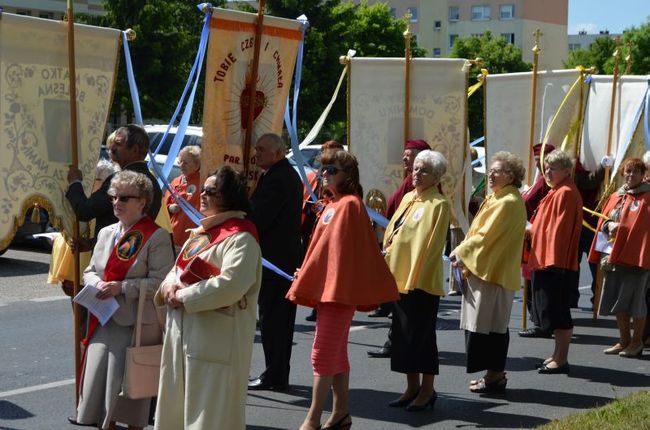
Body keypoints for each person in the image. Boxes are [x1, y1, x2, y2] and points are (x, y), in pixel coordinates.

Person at [287, 149, 399, 430]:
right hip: (330, 290)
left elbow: (340, 254)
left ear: (348, 176)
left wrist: (312, 274)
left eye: (332, 170)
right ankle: (341, 413)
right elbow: (322, 250)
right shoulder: (334, 205)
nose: (325, 175)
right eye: (324, 169)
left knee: (322, 354)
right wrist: (308, 272)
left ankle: (311, 421)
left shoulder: (349, 204)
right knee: (335, 354)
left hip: (338, 291)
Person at [154, 166, 262, 429]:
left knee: (210, 415)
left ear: (229, 196)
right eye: (203, 189)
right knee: (176, 410)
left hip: (216, 338)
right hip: (184, 333)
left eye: (211, 191)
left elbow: (231, 284)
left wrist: (184, 297)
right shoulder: (203, 232)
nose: (202, 194)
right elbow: (176, 269)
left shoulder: (241, 238)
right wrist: (169, 287)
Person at [72, 170, 174, 429]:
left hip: (134, 324)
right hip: (103, 319)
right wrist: (97, 284)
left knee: (129, 393)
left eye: (125, 198)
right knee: (98, 391)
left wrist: (122, 287)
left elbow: (161, 282)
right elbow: (90, 271)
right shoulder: (106, 232)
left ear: (143, 202)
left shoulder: (157, 236)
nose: (117, 203)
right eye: (114, 197)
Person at [451, 151, 527, 392]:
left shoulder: (508, 202)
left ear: (511, 176)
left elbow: (486, 237)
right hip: (488, 269)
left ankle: (495, 377)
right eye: (490, 170)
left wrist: (461, 251)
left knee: (493, 328)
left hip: (493, 272)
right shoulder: (498, 197)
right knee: (490, 326)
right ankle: (493, 375)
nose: (491, 175)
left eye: (497, 171)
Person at [384, 150, 449, 411]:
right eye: (416, 169)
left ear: (436, 177)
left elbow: (432, 247)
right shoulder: (410, 197)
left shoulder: (438, 204)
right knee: (403, 337)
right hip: (398, 278)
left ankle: (427, 390)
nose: (417, 174)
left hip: (420, 281)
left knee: (422, 337)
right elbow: (394, 230)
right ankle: (411, 387)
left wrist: (415, 275)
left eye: (424, 170)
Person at [248, 133, 303, 391]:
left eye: (261, 150)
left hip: (276, 262)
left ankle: (275, 375)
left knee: (274, 322)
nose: (256, 154)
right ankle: (276, 373)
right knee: (275, 321)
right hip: (281, 259)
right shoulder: (281, 175)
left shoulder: (278, 179)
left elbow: (260, 217)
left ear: (278, 153)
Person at [367, 138, 431, 357]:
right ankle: (397, 342)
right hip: (397, 247)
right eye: (404, 154)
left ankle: (397, 344)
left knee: (404, 304)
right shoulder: (409, 184)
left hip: (408, 255)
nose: (404, 158)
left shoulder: (426, 193)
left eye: (409, 154)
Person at [588, 158, 650, 358]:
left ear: (642, 174)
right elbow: (604, 219)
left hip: (637, 259)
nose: (631, 175)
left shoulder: (647, 196)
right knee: (616, 300)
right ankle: (623, 340)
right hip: (613, 256)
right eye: (628, 171)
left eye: (635, 172)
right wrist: (608, 226)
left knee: (635, 302)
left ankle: (637, 342)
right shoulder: (617, 195)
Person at [528, 149, 583, 374]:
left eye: (553, 168)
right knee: (554, 312)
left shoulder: (565, 193)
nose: (547, 172)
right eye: (546, 168)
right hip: (549, 260)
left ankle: (561, 359)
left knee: (560, 313)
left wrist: (552, 262)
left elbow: (558, 232)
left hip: (555, 263)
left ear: (566, 171)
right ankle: (556, 355)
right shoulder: (558, 190)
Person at [67, 125, 162, 245]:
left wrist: (74, 183)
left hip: (114, 257)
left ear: (135, 150)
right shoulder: (154, 183)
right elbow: (118, 225)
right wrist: (92, 243)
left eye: (118, 143)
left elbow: (85, 211)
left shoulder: (119, 181)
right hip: (135, 252)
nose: (111, 147)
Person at [301, 140, 345, 322]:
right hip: (311, 227)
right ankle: (315, 303)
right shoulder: (313, 176)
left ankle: (325, 304)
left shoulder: (344, 183)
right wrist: (310, 207)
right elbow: (304, 199)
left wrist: (326, 208)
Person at [519, 143, 554, 338]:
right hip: (530, 236)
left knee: (538, 281)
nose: (540, 165)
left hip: (538, 236)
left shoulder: (548, 184)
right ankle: (538, 319)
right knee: (531, 280)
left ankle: (542, 322)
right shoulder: (539, 180)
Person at [164, 145, 201, 251]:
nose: (181, 165)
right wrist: (170, 208)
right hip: (170, 235)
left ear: (197, 164)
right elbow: (164, 206)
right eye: (180, 162)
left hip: (190, 239)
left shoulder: (202, 183)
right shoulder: (175, 181)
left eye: (186, 162)